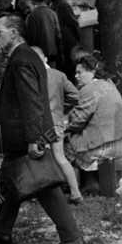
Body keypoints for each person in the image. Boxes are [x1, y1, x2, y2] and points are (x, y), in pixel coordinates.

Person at [0, 16, 85, 244]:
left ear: (14, 32)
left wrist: (34, 139)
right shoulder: (27, 57)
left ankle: (71, 236)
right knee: (12, 181)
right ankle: (0, 231)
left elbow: (31, 101)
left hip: (24, 137)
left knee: (42, 185)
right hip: (25, 135)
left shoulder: (21, 60)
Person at [33, 46, 84, 204]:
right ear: (46, 58)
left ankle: (43, 195)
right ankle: (75, 193)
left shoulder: (33, 77)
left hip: (41, 124)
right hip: (57, 122)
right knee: (61, 158)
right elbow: (75, 95)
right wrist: (63, 110)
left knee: (40, 159)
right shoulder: (59, 75)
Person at [66, 51, 122, 181]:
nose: (76, 76)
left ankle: (74, 188)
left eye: (80, 72)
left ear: (92, 71)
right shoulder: (109, 84)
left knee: (63, 144)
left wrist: (61, 124)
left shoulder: (90, 88)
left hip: (103, 146)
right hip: (119, 141)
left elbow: (75, 121)